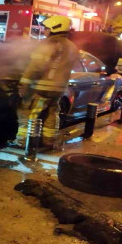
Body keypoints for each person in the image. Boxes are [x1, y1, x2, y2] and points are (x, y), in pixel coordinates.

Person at [15, 15, 79, 148]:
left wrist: (24, 84)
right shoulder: (72, 46)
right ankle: (49, 141)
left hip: (41, 88)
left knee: (28, 113)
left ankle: (23, 142)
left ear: (54, 28)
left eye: (46, 28)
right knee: (51, 113)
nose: (44, 31)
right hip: (59, 89)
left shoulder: (48, 44)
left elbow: (36, 66)